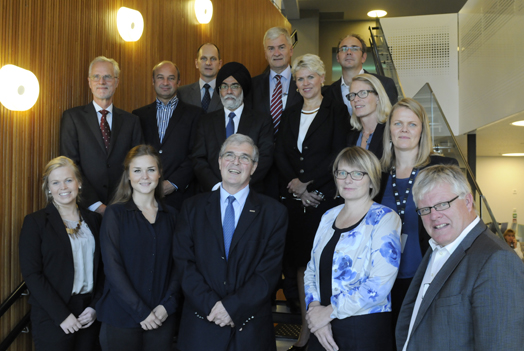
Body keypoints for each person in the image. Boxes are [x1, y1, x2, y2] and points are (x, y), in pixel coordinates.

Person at [174, 134, 288, 351]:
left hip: (249, 331)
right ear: (219, 161)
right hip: (202, 325)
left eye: (244, 158)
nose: (236, 162)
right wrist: (213, 307)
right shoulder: (191, 208)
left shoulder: (274, 213)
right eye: (230, 155)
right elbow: (184, 264)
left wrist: (233, 308)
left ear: (254, 167)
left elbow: (268, 272)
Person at [396, 164, 524, 350]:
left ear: (468, 201)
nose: (434, 216)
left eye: (442, 205)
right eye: (425, 209)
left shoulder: (497, 260)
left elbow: (503, 345)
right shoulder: (438, 248)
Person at [274, 54, 349, 350]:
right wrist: (296, 185)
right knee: (300, 266)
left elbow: (338, 151)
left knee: (323, 263)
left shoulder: (337, 111)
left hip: (324, 200)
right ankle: (306, 327)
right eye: (299, 79)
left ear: (321, 79)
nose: (305, 83)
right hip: (297, 202)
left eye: (310, 77)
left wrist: (310, 184)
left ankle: (319, 328)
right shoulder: (291, 113)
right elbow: (281, 152)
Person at [304, 147, 401, 351]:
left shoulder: (385, 218)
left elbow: (379, 285)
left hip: (363, 329)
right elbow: (311, 269)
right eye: (342, 173)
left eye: (357, 173)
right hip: (322, 327)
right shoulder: (328, 216)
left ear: (372, 179)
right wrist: (315, 310)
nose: (348, 180)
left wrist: (329, 311)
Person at [375, 98, 458, 328]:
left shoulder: (442, 169)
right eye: (398, 123)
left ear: (422, 130)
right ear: (389, 129)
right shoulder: (376, 175)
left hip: (428, 279)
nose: (404, 130)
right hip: (384, 283)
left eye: (412, 124)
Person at [96, 145, 180, 351]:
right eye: (137, 170)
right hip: (120, 317)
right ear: (128, 176)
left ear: (159, 174)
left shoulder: (173, 216)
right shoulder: (115, 214)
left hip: (161, 318)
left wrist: (167, 306)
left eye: (151, 170)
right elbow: (112, 268)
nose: (145, 176)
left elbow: (180, 265)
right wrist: (141, 311)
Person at [19, 156, 103, 351]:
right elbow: (32, 274)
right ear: (48, 188)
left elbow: (104, 268)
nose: (63, 187)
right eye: (55, 182)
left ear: (79, 183)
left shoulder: (94, 220)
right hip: (53, 315)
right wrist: (62, 316)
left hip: (88, 314)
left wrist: (95, 307)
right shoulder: (36, 222)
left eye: (68, 180)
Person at [60, 56, 143, 215]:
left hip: (123, 208)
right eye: (96, 77)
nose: (102, 81)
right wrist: (96, 205)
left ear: (116, 82)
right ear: (89, 82)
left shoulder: (132, 121)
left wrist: (123, 203)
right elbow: (70, 166)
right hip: (85, 208)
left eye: (107, 77)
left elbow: (137, 165)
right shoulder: (73, 118)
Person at [192, 62, 273, 193]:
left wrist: (240, 185)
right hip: (212, 192)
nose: (229, 91)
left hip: (250, 192)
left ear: (243, 89)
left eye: (234, 86)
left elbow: (265, 158)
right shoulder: (206, 121)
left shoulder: (261, 121)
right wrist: (217, 186)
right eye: (224, 86)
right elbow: (198, 159)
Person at [132, 61, 203, 210]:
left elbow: (196, 154)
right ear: (153, 81)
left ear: (178, 82)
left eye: (171, 78)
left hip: (181, 197)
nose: (165, 82)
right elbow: (135, 155)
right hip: (145, 195)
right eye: (160, 77)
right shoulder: (138, 116)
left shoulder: (195, 115)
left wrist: (174, 183)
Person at [325, 34, 398, 115]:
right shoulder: (328, 93)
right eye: (344, 49)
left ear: (363, 57)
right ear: (338, 58)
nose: (349, 52)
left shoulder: (385, 84)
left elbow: (392, 119)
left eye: (355, 48)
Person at [250, 27, 302, 136]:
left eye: (281, 47)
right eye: (271, 48)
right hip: (262, 150)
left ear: (291, 50)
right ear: (265, 54)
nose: (276, 53)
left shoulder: (303, 82)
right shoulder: (253, 86)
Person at [347, 73, 392, 160]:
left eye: (363, 93)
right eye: (352, 95)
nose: (356, 99)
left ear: (378, 97)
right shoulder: (350, 135)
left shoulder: (390, 132)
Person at [178, 43, 223, 112]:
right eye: (204, 58)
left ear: (220, 64)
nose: (208, 63)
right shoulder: (181, 93)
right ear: (196, 63)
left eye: (213, 59)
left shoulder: (227, 92)